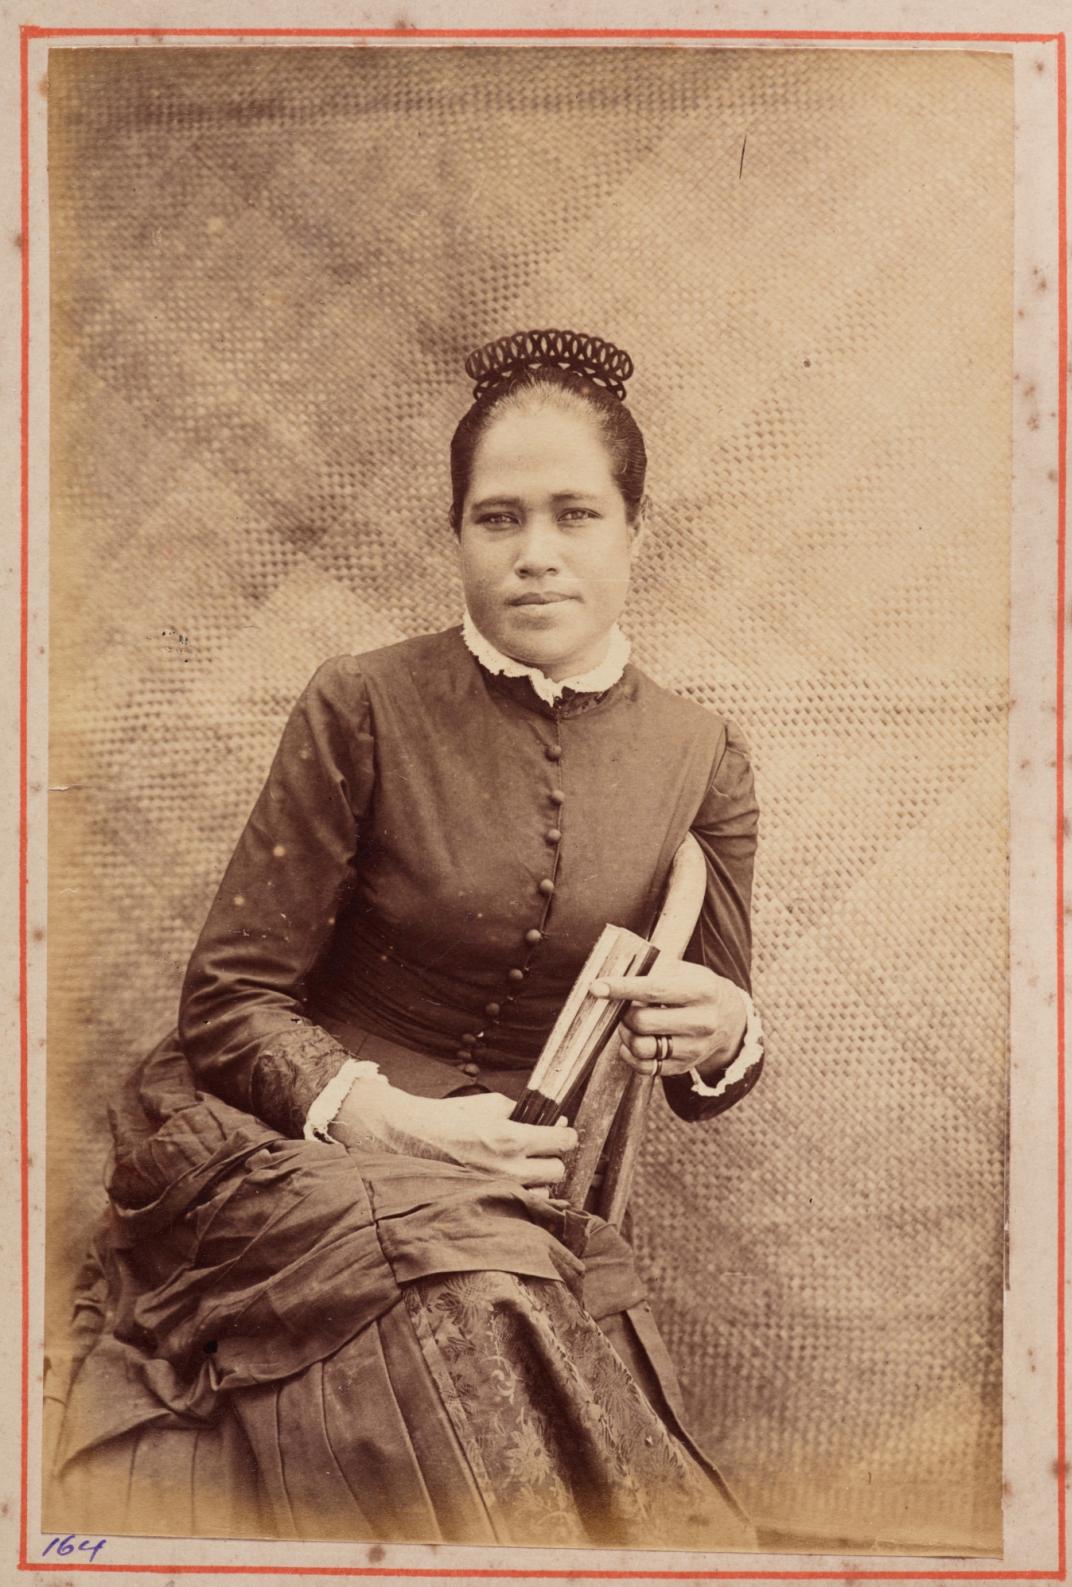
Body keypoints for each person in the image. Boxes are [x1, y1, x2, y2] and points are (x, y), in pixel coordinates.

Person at [46, 329, 765, 1551]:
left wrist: (722, 1030)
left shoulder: (703, 756)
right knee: (471, 1292)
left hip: (510, 1191)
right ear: (456, 534)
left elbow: (715, 1053)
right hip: (292, 1156)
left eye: (576, 515)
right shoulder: (363, 701)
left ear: (634, 532)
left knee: (490, 1283)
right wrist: (387, 1120)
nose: (535, 554)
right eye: (498, 519)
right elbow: (228, 1003)